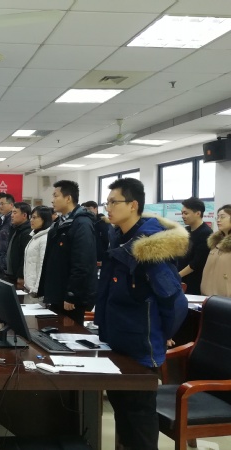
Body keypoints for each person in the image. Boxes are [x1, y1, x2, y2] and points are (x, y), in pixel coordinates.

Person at [95, 178, 188, 450]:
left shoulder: (149, 248)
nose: (108, 207)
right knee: (123, 413)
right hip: (117, 341)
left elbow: (174, 302)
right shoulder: (120, 238)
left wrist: (162, 334)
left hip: (141, 347)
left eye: (114, 202)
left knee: (138, 419)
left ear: (133, 205)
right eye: (107, 202)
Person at [38, 180, 96, 324]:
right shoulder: (60, 223)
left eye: (55, 196)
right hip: (57, 292)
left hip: (70, 299)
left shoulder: (82, 224)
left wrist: (72, 295)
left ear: (68, 198)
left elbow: (82, 263)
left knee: (69, 332)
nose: (52, 200)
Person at [177, 197, 213, 295]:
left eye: (186, 213)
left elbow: (196, 263)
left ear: (198, 213)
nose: (183, 216)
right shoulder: (186, 230)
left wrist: (177, 275)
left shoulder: (206, 233)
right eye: (182, 213)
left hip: (194, 282)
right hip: (180, 279)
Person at [201, 204, 231, 297]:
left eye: (222, 217)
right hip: (208, 294)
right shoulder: (215, 243)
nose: (218, 220)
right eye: (217, 217)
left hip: (226, 297)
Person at [23, 206, 52, 296]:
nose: (31, 220)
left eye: (34, 217)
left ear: (44, 219)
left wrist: (37, 289)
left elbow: (42, 266)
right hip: (29, 287)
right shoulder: (35, 236)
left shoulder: (45, 238)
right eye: (31, 217)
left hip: (36, 291)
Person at [3, 202, 32, 287]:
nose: (12, 215)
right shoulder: (16, 229)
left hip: (18, 277)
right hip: (11, 274)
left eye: (15, 213)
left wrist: (21, 275)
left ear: (24, 215)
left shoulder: (27, 232)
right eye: (12, 212)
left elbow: (25, 256)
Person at [82, 200, 111, 265]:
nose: (87, 211)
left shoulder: (102, 222)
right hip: (89, 253)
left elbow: (106, 238)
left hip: (100, 253)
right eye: (86, 209)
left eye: (89, 208)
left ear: (96, 209)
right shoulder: (86, 221)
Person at [0, 193, 15, 273]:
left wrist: (5, 262)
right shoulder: (2, 220)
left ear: (11, 205)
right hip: (1, 261)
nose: (0, 206)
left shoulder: (12, 221)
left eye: (2, 204)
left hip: (6, 264)